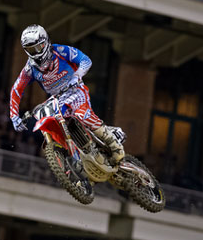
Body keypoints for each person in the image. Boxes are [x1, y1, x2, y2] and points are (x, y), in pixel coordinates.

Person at [9, 24, 125, 163]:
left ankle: (114, 145)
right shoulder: (29, 69)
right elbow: (16, 89)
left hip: (76, 90)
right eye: (30, 50)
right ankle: (73, 154)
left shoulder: (61, 51)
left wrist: (77, 76)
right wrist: (14, 116)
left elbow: (85, 60)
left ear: (45, 42)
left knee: (81, 114)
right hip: (58, 99)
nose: (35, 52)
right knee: (50, 120)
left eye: (37, 47)